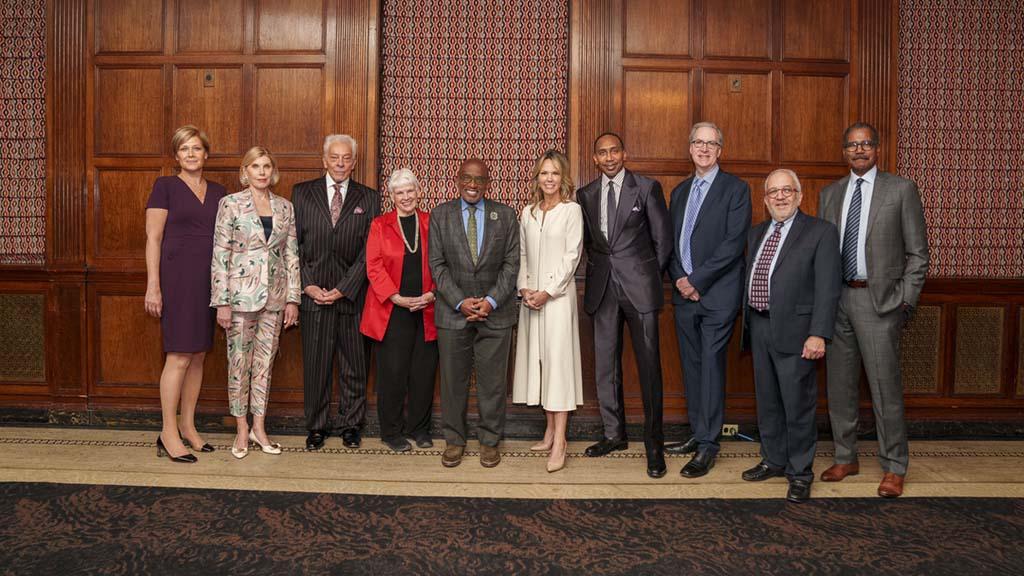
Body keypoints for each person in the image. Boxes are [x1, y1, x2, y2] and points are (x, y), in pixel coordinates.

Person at [817, 122, 930, 498]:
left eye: (866, 144)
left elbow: (918, 254)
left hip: (880, 303)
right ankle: (846, 456)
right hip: (838, 301)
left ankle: (894, 466)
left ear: (877, 149)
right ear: (844, 151)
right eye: (852, 145)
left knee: (885, 390)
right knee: (840, 387)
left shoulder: (901, 190)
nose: (859, 150)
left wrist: (904, 300)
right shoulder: (829, 194)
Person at [740, 169, 841, 503]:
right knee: (768, 401)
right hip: (759, 326)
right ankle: (774, 459)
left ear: (799, 195)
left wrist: (818, 334)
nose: (780, 197)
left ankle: (800, 472)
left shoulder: (820, 232)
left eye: (787, 190)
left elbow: (828, 288)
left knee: (797, 405)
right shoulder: (756, 233)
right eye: (773, 192)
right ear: (765, 199)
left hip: (798, 332)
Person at [577, 133, 672, 479]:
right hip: (602, 290)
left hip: (640, 290)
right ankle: (613, 434)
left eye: (614, 150)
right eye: (602, 152)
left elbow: (663, 242)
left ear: (624, 153)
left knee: (649, 368)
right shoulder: (585, 195)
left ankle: (654, 444)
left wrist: (644, 276)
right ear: (595, 158)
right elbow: (590, 243)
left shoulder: (646, 188)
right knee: (606, 367)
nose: (609, 157)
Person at [667, 121, 751, 478]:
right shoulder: (680, 192)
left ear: (720, 150)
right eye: (698, 142)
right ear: (690, 148)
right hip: (684, 296)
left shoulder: (736, 189)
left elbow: (733, 244)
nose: (703, 148)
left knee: (712, 367)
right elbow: (671, 244)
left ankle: (708, 446)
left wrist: (697, 281)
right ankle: (697, 433)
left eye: (711, 143)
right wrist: (680, 280)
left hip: (717, 295)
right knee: (692, 367)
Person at [428, 159, 519, 469]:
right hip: (454, 314)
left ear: (488, 183)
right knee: (453, 382)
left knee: (493, 384)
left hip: (496, 313)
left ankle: (490, 441)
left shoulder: (505, 216)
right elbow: (437, 265)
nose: (472, 184)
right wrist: (460, 301)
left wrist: (491, 301)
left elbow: (511, 264)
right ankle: (454, 440)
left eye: (479, 180)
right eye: (467, 178)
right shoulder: (440, 215)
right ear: (457, 180)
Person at [210, 146, 300, 459]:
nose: (261, 172)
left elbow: (291, 255)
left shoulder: (285, 207)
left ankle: (260, 427)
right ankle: (241, 429)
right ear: (245, 171)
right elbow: (220, 253)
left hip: (275, 299)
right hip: (238, 299)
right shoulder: (230, 204)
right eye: (255, 166)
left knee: (264, 365)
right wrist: (221, 301)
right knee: (238, 365)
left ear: (272, 172)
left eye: (266, 166)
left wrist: (293, 298)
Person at [292, 135, 380, 450]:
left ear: (354, 163)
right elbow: (294, 246)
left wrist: (344, 288)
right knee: (316, 367)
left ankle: (351, 425)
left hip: (352, 298)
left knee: (354, 367)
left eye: (346, 158)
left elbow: (370, 251)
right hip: (313, 295)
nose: (340, 163)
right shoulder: (301, 194)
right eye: (334, 157)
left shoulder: (369, 198)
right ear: (324, 160)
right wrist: (308, 284)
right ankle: (317, 426)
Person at [144, 125, 226, 463]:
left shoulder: (220, 191)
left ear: (206, 154)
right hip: (176, 279)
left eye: (197, 148)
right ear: (176, 155)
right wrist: (153, 285)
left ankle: (189, 427)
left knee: (198, 355)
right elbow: (153, 238)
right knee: (177, 355)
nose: (191, 154)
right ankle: (168, 432)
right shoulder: (164, 187)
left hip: (209, 281)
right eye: (184, 149)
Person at [512, 150, 585, 473]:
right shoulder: (528, 212)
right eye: (544, 173)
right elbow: (523, 254)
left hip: (556, 300)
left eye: (555, 173)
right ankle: (549, 430)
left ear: (563, 177)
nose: (549, 179)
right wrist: (525, 288)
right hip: (531, 300)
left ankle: (561, 441)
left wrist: (547, 291)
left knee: (558, 367)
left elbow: (572, 257)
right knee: (539, 363)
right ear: (537, 178)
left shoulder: (572, 211)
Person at [360, 168, 438, 453]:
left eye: (410, 191)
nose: (406, 197)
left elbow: (443, 263)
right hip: (391, 312)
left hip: (427, 310)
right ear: (391, 196)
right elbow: (374, 266)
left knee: (423, 373)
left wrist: (432, 294)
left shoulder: (432, 222)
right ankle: (391, 431)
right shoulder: (380, 225)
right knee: (392, 374)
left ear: (419, 192)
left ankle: (419, 429)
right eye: (399, 193)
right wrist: (396, 297)